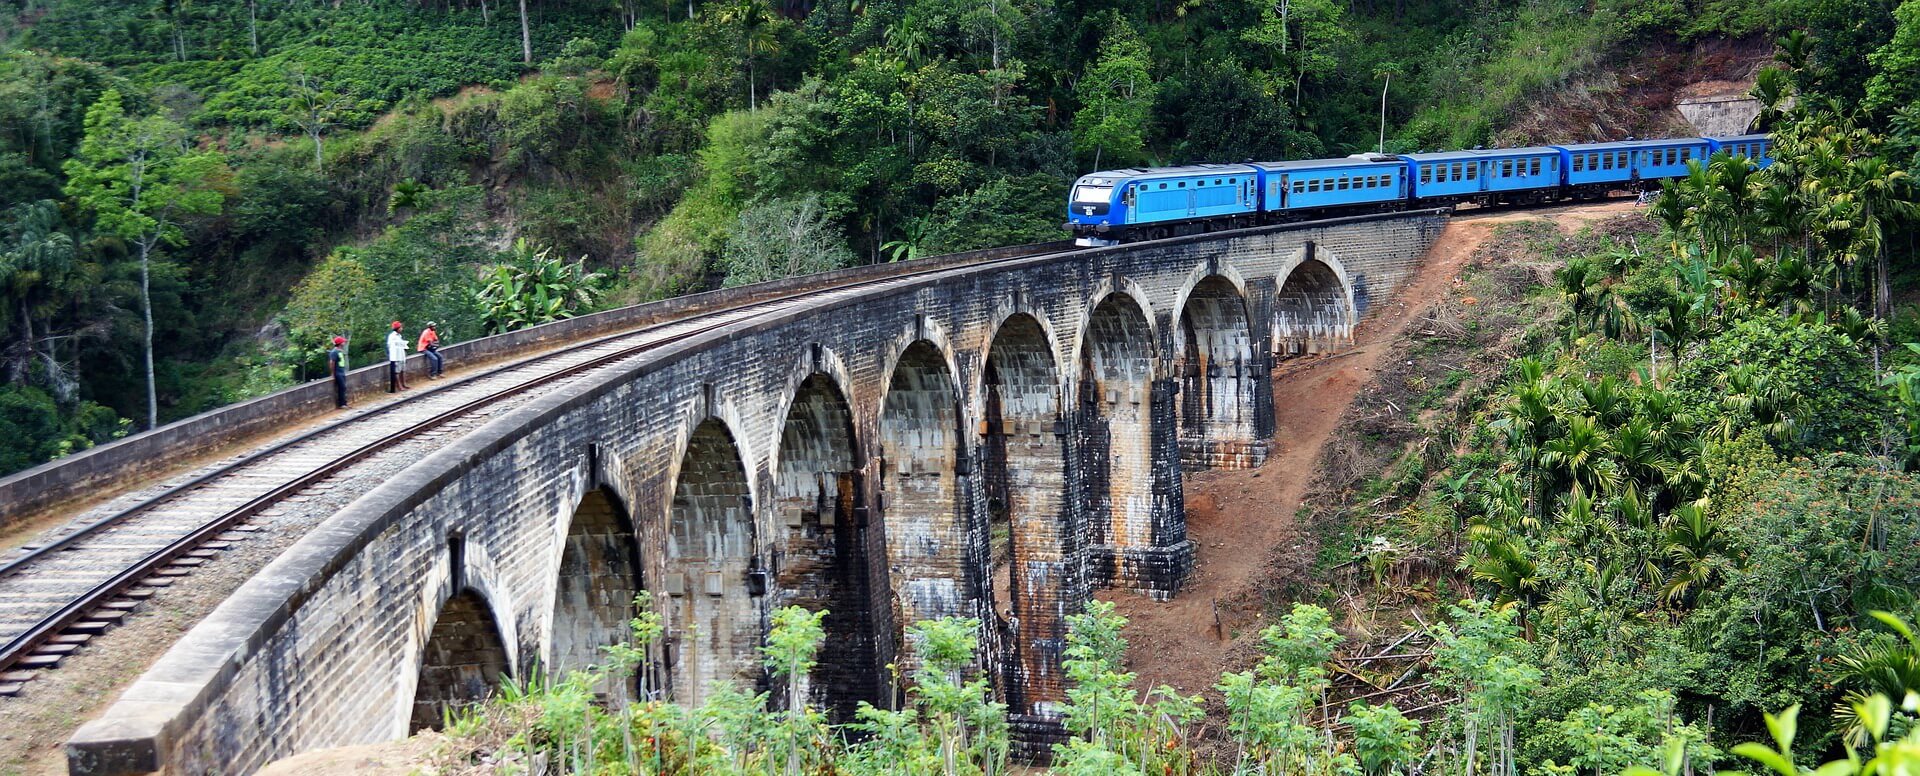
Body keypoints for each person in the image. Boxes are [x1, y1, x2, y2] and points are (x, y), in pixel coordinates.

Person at [386, 320, 410, 392]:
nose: (401, 329)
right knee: (397, 371)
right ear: (397, 328)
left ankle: (403, 384)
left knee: (402, 370)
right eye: (400, 327)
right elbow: (391, 346)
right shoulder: (392, 336)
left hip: (401, 355)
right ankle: (399, 386)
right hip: (396, 356)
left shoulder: (399, 336)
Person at [327, 336, 350, 409]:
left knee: (343, 387)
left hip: (341, 371)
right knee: (342, 387)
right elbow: (332, 363)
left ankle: (344, 403)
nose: (344, 343)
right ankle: (342, 404)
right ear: (340, 343)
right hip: (338, 372)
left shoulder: (339, 351)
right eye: (343, 342)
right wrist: (333, 374)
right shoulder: (334, 352)